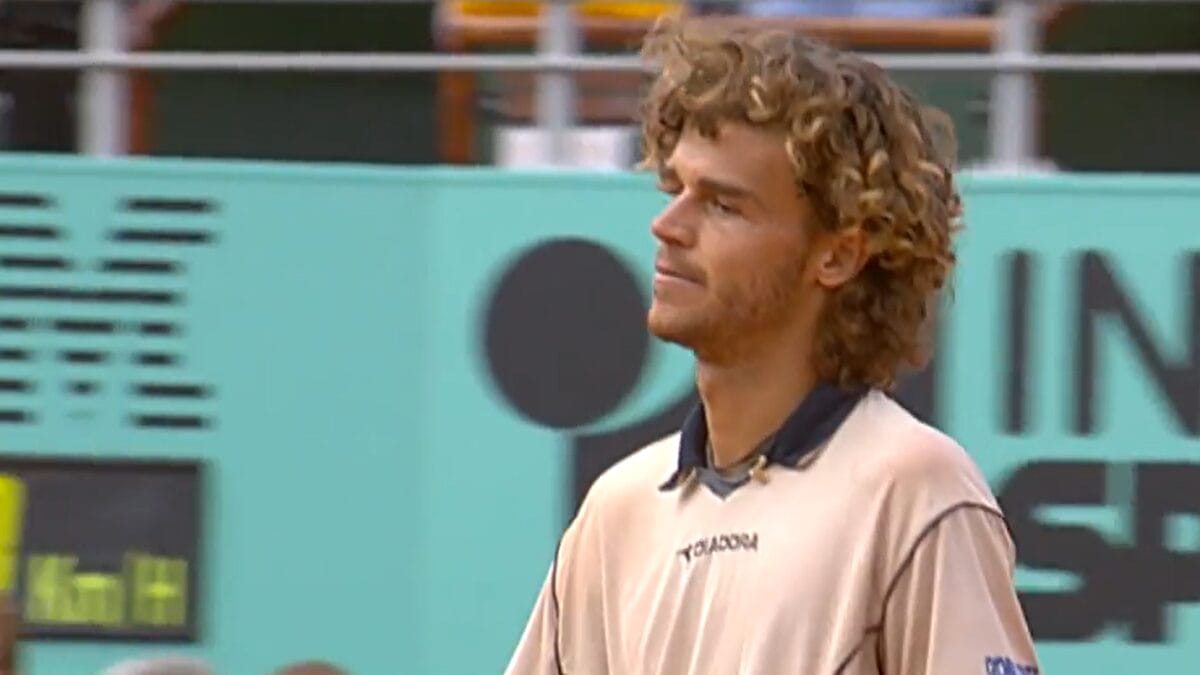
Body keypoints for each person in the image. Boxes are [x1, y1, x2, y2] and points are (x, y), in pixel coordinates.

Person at [503, 16, 1039, 675]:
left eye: (723, 205)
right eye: (676, 189)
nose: (667, 225)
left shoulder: (918, 490)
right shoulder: (615, 510)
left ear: (838, 255)